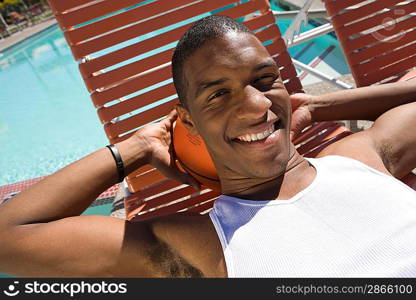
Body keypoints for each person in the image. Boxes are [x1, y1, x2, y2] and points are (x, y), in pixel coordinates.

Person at [0, 16, 415, 278]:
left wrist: (315, 105)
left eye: (265, 79)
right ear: (188, 121)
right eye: (218, 94)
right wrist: (138, 146)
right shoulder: (196, 246)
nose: (256, 105)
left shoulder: (362, 156)